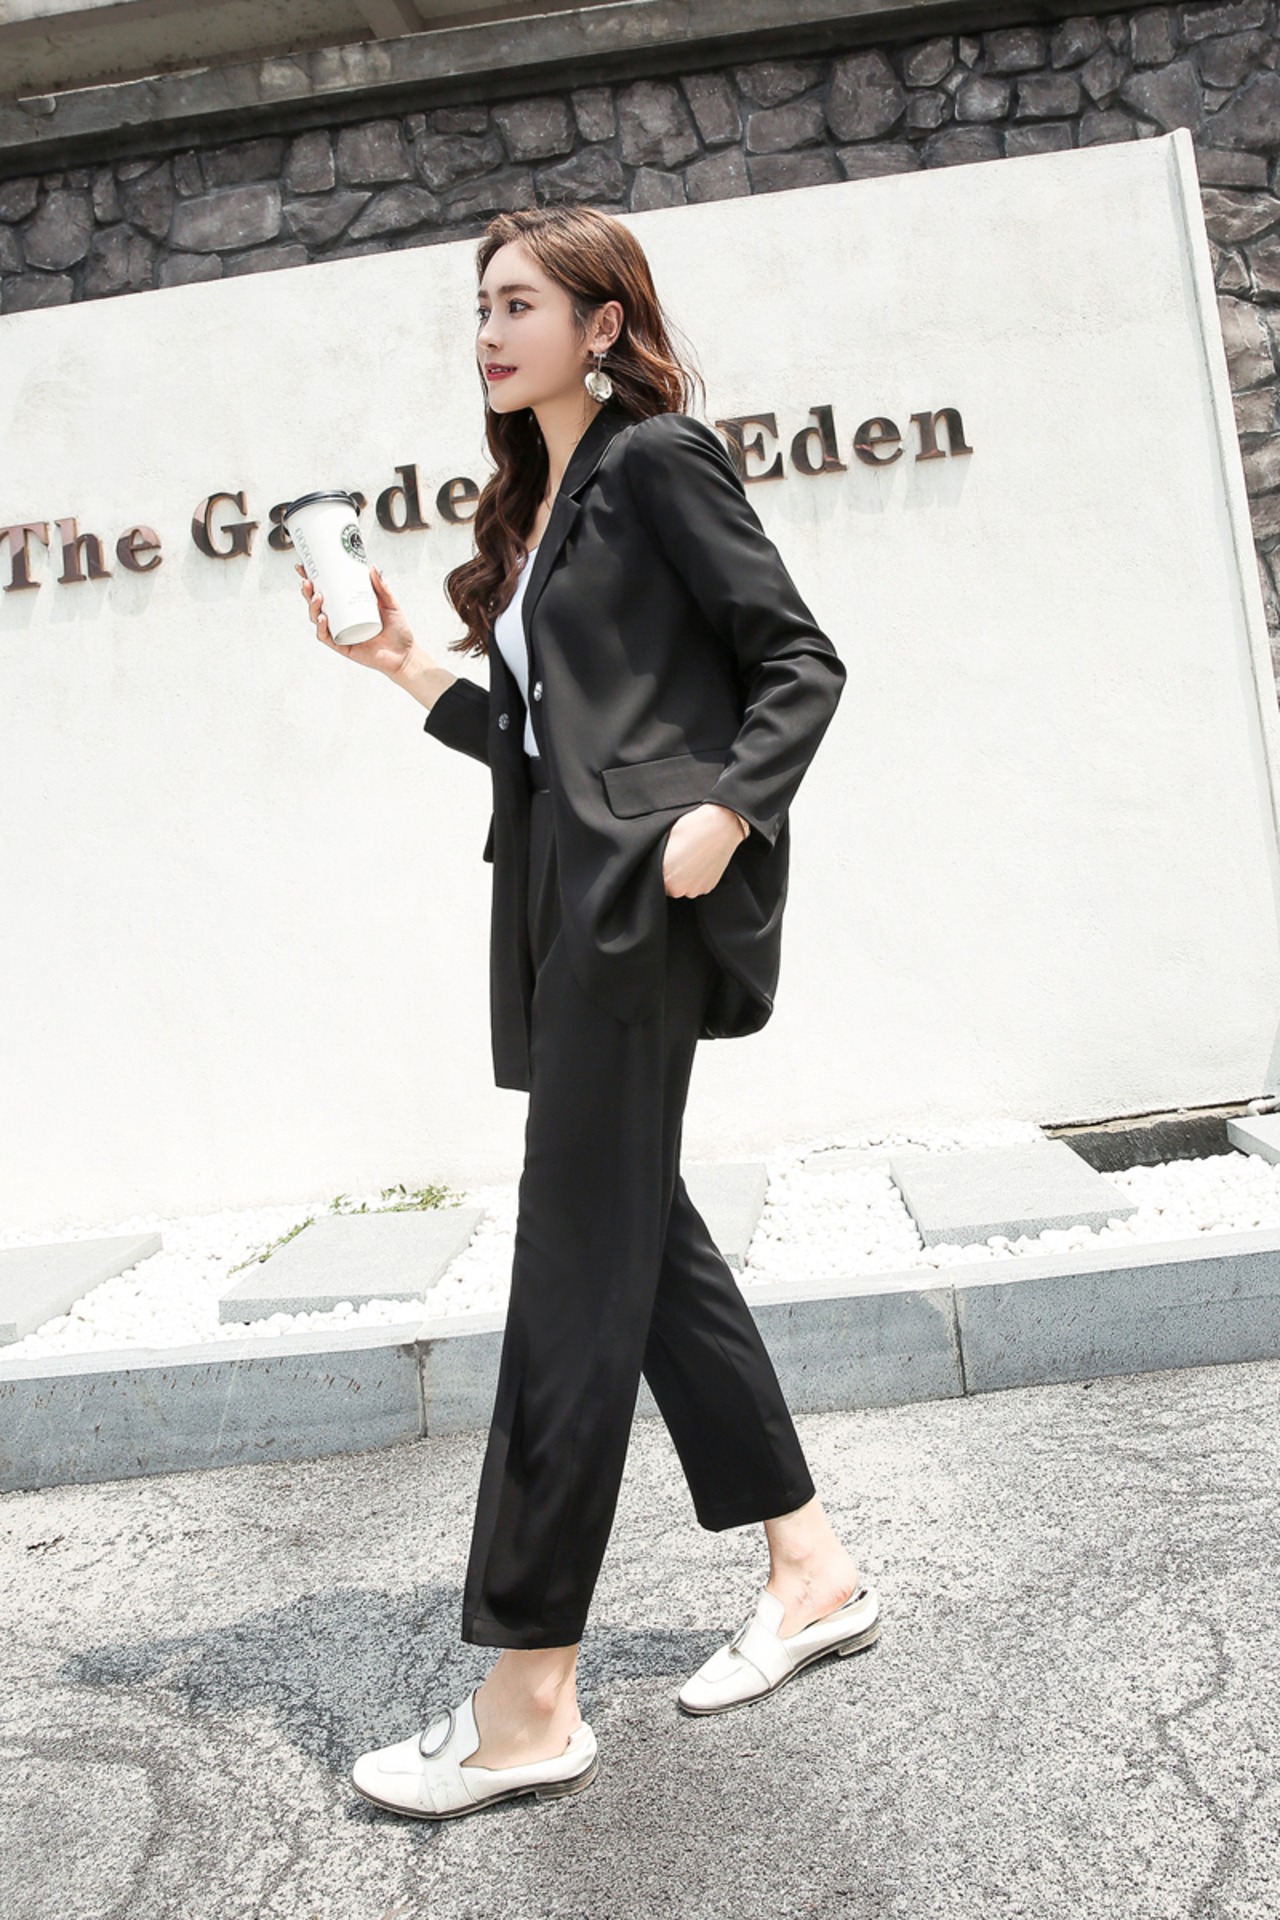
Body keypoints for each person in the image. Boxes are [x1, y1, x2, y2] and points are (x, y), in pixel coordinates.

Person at [297, 205, 880, 1822]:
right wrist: (403, 667)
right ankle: (812, 1569)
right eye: (479, 308)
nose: (488, 333)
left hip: (643, 905)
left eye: (517, 304)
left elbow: (801, 662)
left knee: (571, 1272)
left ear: (601, 323)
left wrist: (727, 815)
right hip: (564, 907)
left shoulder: (656, 461)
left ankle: (529, 1694)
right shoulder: (543, 501)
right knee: (641, 1241)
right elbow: (542, 747)